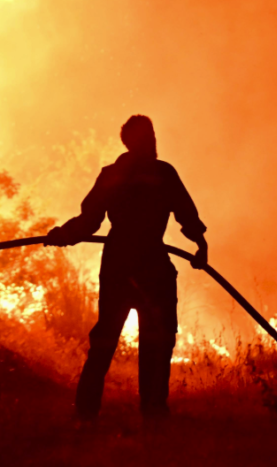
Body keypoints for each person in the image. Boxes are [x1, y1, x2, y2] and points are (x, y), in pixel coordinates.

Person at [45, 115, 208, 420]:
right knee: (152, 342)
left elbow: (89, 220)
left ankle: (91, 413)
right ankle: (150, 411)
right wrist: (201, 245)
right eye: (149, 137)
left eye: (152, 135)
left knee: (112, 340)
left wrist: (64, 235)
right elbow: (186, 215)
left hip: (121, 265)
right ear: (138, 141)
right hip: (150, 267)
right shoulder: (161, 173)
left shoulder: (117, 174)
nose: (153, 142)